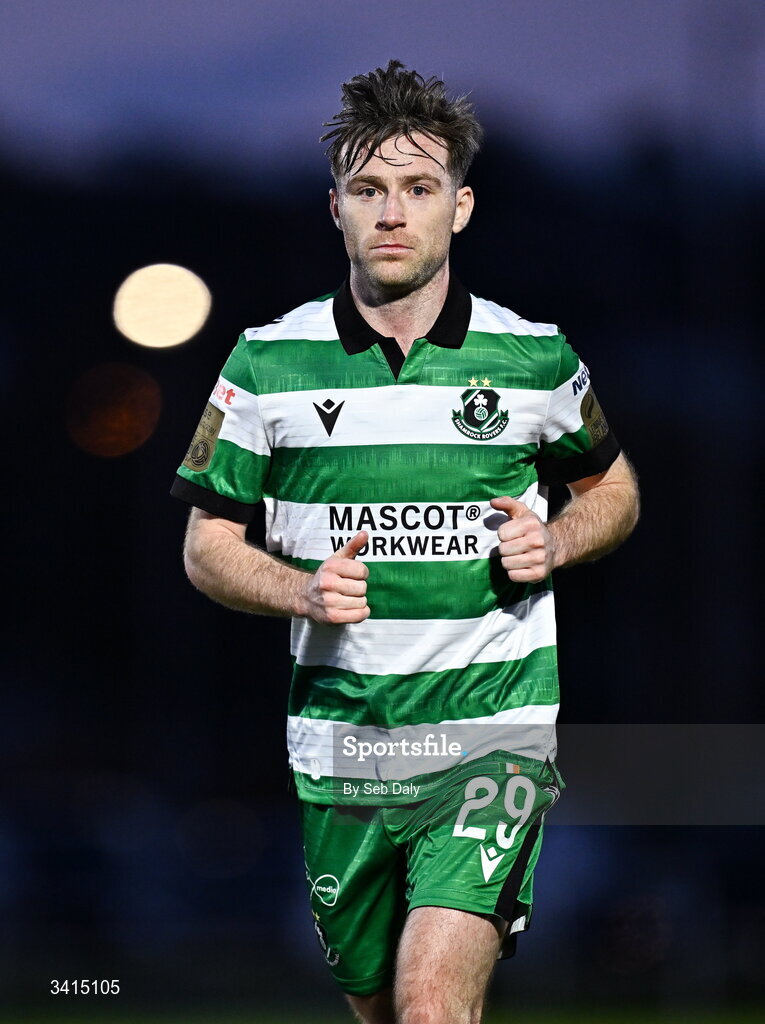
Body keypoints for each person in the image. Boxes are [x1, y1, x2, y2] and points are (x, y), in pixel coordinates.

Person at [170, 59, 639, 1024]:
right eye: (368, 190)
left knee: (431, 1004)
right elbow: (206, 542)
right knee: (383, 1010)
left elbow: (614, 489)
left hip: (488, 736)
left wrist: (558, 541)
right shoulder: (264, 362)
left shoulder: (534, 358)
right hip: (340, 751)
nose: (392, 213)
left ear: (459, 208)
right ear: (333, 208)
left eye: (418, 189)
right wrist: (295, 591)